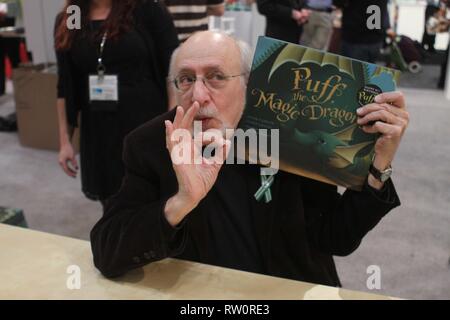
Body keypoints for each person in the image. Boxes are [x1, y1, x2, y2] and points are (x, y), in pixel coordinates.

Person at [90, 31, 409, 287]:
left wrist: (379, 165)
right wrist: (181, 202)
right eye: (186, 79)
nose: (199, 95)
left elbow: (335, 237)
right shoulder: (149, 145)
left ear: (247, 83)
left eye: (215, 76)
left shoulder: (289, 133)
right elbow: (107, 252)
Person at [54, 0, 179, 204]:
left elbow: (173, 72)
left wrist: (172, 128)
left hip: (146, 126)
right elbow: (65, 84)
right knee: (112, 205)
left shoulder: (145, 10)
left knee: (152, 203)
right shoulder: (74, 16)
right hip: (98, 131)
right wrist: (65, 141)